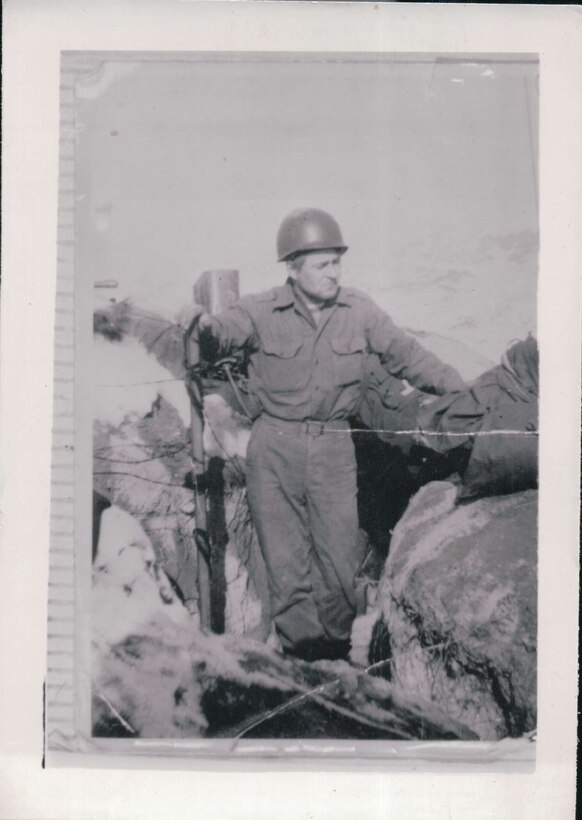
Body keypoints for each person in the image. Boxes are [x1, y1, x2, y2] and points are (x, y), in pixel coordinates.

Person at [181, 208, 467, 662]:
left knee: (338, 566)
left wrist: (459, 388)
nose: (333, 273)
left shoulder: (359, 311)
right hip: (274, 448)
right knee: (286, 564)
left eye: (337, 262)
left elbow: (406, 354)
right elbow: (222, 333)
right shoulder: (260, 310)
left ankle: (334, 653)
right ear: (293, 268)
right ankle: (305, 664)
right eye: (322, 264)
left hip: (335, 446)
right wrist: (204, 329)